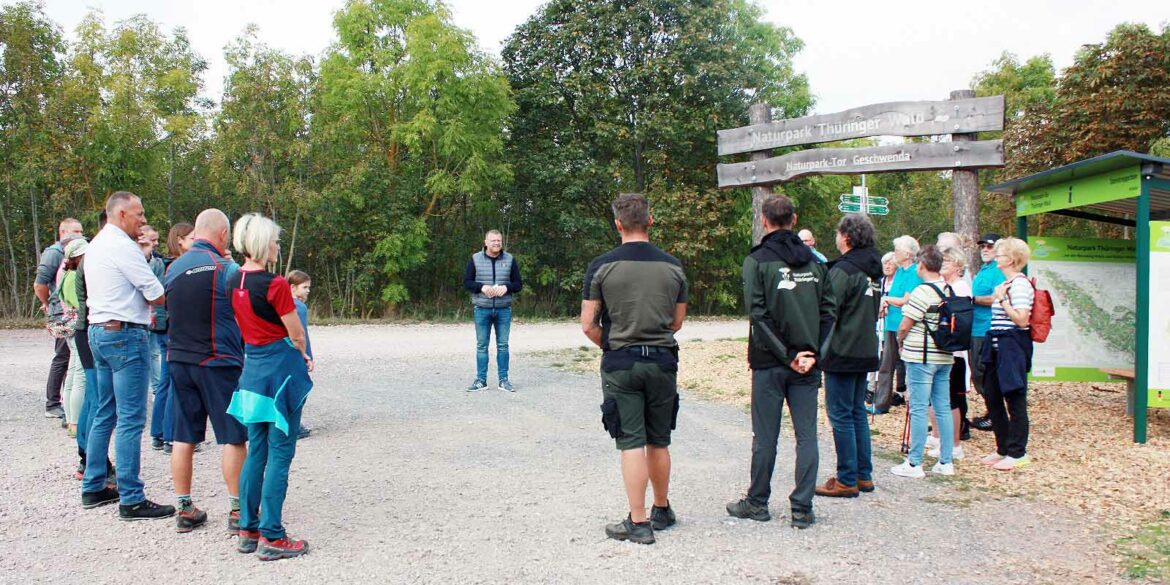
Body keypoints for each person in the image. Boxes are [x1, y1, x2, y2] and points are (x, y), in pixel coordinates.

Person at [581, 193, 687, 545]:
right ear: (650, 221)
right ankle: (661, 508)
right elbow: (677, 321)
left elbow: (588, 324)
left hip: (621, 362)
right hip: (661, 360)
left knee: (631, 442)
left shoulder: (601, 266)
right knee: (659, 439)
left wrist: (613, 345)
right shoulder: (673, 266)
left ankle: (638, 522)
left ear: (618, 225)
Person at [727, 195, 835, 529]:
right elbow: (831, 314)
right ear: (794, 218)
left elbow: (757, 315)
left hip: (771, 362)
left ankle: (758, 502)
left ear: (764, 220)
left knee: (766, 437)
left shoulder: (757, 261)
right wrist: (814, 356)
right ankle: (802, 508)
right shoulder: (817, 264)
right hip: (806, 363)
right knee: (807, 436)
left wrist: (789, 357)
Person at [80, 191, 174, 520]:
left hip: (99, 331)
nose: (143, 220)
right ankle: (131, 497)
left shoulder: (96, 245)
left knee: (105, 411)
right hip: (125, 334)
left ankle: (93, 485)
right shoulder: (123, 247)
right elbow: (157, 294)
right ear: (121, 214)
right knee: (132, 418)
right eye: (139, 214)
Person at [225, 213, 313, 561]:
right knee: (280, 452)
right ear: (263, 244)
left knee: (257, 449)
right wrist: (304, 354)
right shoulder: (275, 285)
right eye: (275, 241)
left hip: (253, 371)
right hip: (280, 371)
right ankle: (273, 535)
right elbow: (295, 331)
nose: (278, 245)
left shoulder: (232, 279)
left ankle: (249, 528)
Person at [165, 210, 250, 534]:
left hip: (179, 360)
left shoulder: (173, 268)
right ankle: (237, 509)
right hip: (217, 362)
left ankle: (184, 508)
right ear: (224, 236)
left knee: (183, 436)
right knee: (233, 437)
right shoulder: (226, 269)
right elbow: (244, 311)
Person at [816, 213, 882, 498]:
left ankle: (846, 478)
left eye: (838, 233)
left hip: (843, 347)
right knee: (856, 412)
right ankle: (862, 474)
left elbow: (828, 306)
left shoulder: (844, 270)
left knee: (840, 414)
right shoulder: (873, 270)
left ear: (847, 237)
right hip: (865, 345)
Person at [891, 245, 955, 478]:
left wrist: (900, 340)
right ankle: (946, 460)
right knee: (943, 407)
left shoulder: (922, 291)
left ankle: (914, 463)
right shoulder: (948, 289)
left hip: (921, 356)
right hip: (944, 356)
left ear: (922, 265)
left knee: (918, 407)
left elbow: (905, 324)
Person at [980, 237, 1034, 472]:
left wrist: (1002, 300)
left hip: (1012, 345)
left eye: (1000, 254)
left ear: (1010, 259)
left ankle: (1017, 451)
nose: (996, 257)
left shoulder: (1020, 284)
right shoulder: (1005, 283)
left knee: (1014, 397)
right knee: (992, 395)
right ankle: (1002, 446)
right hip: (995, 345)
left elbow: (1022, 319)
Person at [150, 222, 194, 453]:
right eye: (192, 238)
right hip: (173, 328)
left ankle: (158, 433)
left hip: (162, 327)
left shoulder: (164, 265)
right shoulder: (178, 266)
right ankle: (170, 436)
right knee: (176, 383)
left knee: (166, 382)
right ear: (180, 240)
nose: (196, 241)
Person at [35, 217, 84, 419]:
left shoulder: (73, 251)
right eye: (76, 231)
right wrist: (49, 304)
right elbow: (40, 284)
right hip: (64, 313)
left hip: (68, 310)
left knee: (70, 359)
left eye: (81, 232)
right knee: (63, 357)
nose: (80, 235)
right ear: (62, 232)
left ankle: (66, 403)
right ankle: (53, 403)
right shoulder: (54, 253)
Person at [463, 229, 523, 392]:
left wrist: (507, 287)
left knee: (503, 346)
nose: (496, 243)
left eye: (499, 241)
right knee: (482, 346)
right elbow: (467, 282)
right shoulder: (475, 259)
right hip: (482, 309)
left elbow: (518, 284)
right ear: (486, 242)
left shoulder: (510, 259)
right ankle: (481, 381)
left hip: (504, 310)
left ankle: (504, 381)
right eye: (493, 240)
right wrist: (481, 287)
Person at [927, 246, 973, 460]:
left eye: (946, 262)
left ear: (957, 265)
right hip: (941, 350)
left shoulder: (961, 288)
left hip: (955, 352)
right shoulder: (945, 286)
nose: (942, 265)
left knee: (951, 399)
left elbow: (959, 320)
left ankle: (954, 444)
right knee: (937, 397)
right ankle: (938, 436)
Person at [874, 236, 921, 413]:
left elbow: (905, 299)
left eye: (898, 250)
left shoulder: (915, 272)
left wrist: (886, 299)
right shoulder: (899, 271)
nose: (895, 253)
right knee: (886, 365)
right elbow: (895, 297)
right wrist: (885, 304)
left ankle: (914, 405)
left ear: (908, 253)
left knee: (909, 366)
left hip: (906, 324)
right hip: (890, 323)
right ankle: (881, 404)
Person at [969, 233, 1006, 432]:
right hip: (976, 327)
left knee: (982, 373)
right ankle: (992, 411)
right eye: (982, 245)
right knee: (977, 373)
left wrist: (972, 299)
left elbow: (996, 298)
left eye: (989, 246)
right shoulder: (984, 269)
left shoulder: (998, 271)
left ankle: (995, 414)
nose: (984, 249)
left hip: (988, 328)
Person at [58, 238, 89, 439]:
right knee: (80, 376)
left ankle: (71, 420)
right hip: (78, 326)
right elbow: (79, 304)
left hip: (69, 326)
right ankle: (76, 422)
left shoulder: (65, 276)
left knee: (72, 373)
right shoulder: (74, 277)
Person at [287, 269, 314, 439]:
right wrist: (308, 356)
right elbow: (302, 334)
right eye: (304, 287)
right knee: (300, 391)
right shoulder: (299, 307)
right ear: (292, 288)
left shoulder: (278, 303)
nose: (308, 291)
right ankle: (294, 426)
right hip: (296, 354)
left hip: (281, 353)